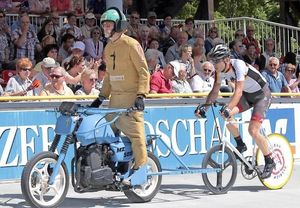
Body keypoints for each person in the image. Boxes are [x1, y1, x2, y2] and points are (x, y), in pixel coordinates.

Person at [194, 44, 275, 179]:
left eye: (216, 61)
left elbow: (237, 91)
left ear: (226, 60)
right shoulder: (220, 70)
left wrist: (229, 107)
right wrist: (205, 107)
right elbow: (215, 91)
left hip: (262, 95)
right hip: (248, 95)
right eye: (212, 61)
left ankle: (269, 161)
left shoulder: (239, 65)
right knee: (225, 114)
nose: (214, 64)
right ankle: (240, 144)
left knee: (253, 130)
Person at [90, 7, 150, 183]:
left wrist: (141, 95)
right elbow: (108, 75)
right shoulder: (108, 47)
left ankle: (141, 170)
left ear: (119, 25)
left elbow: (144, 71)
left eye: (109, 25)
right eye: (104, 25)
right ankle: (109, 171)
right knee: (106, 136)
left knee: (137, 135)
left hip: (131, 100)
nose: (105, 29)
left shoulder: (132, 44)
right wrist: (101, 96)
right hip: (114, 100)